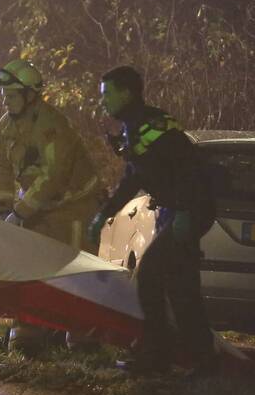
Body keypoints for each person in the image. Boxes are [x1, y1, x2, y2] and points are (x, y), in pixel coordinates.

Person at [88, 65, 217, 377]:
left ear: (127, 93)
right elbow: (133, 179)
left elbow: (189, 168)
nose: (103, 103)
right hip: (180, 211)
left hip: (190, 210)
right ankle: (192, 359)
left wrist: (185, 211)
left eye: (108, 95)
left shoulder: (153, 125)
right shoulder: (137, 127)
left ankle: (163, 356)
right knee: (178, 285)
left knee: (152, 279)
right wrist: (104, 214)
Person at [0, 59, 102, 353]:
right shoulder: (5, 127)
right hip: (39, 209)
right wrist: (3, 210)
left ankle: (82, 341)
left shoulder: (52, 125)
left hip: (76, 208)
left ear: (30, 95)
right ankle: (29, 334)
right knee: (32, 268)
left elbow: (54, 176)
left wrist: (20, 212)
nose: (5, 101)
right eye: (4, 95)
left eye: (11, 95)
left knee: (78, 273)